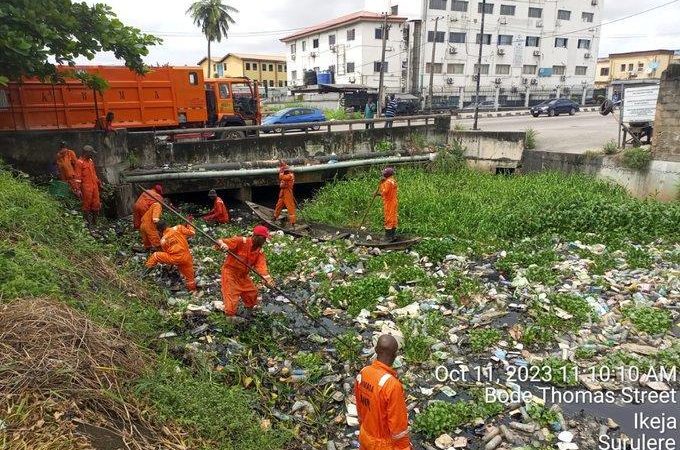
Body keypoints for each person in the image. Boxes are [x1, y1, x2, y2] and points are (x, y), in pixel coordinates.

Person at [354, 334, 412, 450]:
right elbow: (398, 429)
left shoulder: (363, 373)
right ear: (395, 355)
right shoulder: (392, 385)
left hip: (365, 436)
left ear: (375, 350)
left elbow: (360, 408)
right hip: (382, 445)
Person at [216, 225, 274, 317]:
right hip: (230, 273)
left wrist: (268, 280)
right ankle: (230, 319)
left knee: (252, 292)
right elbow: (219, 241)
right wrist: (223, 245)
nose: (264, 241)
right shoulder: (241, 241)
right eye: (263, 239)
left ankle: (248, 314)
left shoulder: (259, 252)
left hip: (243, 275)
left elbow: (261, 267)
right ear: (256, 237)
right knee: (231, 298)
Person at [146, 220, 197, 291]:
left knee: (155, 255)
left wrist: (168, 264)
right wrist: (189, 224)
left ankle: (144, 274)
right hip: (187, 257)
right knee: (190, 279)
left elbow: (167, 253)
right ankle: (193, 292)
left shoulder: (163, 241)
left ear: (159, 231)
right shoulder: (178, 228)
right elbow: (192, 233)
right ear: (167, 224)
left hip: (175, 259)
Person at [75, 145, 102, 228]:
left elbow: (94, 174)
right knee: (86, 205)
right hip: (86, 187)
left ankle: (95, 222)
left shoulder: (90, 161)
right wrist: (78, 189)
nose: (92, 155)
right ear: (86, 153)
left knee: (96, 204)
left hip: (94, 186)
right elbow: (77, 177)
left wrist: (99, 183)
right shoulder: (79, 162)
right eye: (91, 153)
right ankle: (88, 224)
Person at [376, 167, 398, 242]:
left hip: (389, 202)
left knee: (388, 218)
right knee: (393, 218)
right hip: (393, 201)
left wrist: (381, 183)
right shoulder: (393, 180)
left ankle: (388, 237)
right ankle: (393, 235)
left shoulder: (387, 182)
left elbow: (384, 192)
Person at [273, 162, 296, 227]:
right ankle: (275, 217)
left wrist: (281, 171)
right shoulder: (286, 175)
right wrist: (282, 165)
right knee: (278, 205)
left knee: (290, 207)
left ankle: (293, 222)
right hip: (283, 193)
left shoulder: (290, 175)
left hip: (288, 193)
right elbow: (281, 185)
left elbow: (281, 177)